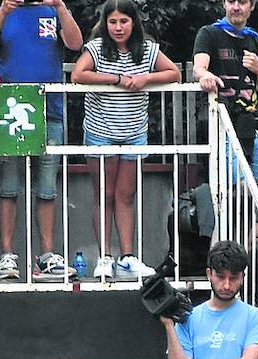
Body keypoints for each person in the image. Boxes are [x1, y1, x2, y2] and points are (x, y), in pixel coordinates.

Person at [71, 0, 179, 282]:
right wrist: (117, 78)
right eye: (113, 22)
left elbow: (174, 73)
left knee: (126, 196)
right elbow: (78, 74)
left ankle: (128, 257)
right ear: (105, 24)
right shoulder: (95, 48)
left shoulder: (147, 49)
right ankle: (105, 257)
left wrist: (146, 78)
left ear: (134, 23)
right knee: (104, 194)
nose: (118, 27)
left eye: (124, 22)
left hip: (134, 132)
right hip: (100, 131)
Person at [0, 0, 82, 283]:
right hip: (8, 109)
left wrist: (60, 6)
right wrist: (2, 11)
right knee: (8, 186)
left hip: (50, 109)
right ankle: (7, 256)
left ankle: (47, 256)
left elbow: (74, 43)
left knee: (47, 186)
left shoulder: (52, 10)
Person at [192, 0, 258, 183]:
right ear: (224, 4)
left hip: (253, 124)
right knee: (239, 185)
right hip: (222, 123)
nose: (236, 7)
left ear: (251, 6)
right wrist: (206, 77)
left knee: (254, 188)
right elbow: (198, 68)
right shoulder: (209, 33)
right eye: (231, 1)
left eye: (242, 2)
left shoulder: (255, 41)